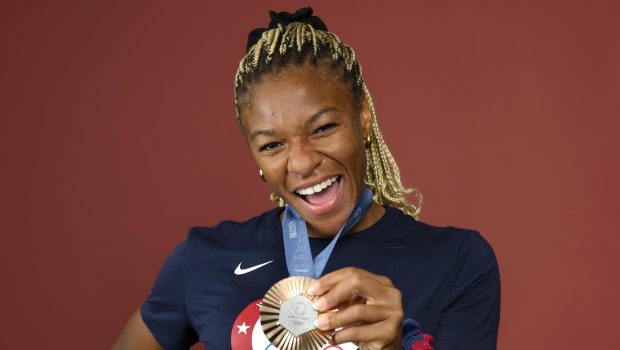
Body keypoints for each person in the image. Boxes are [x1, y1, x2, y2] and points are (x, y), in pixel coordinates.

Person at [113, 7, 500, 350]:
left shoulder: (458, 262)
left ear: (363, 117)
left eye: (323, 127)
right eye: (272, 145)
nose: (301, 163)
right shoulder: (205, 258)